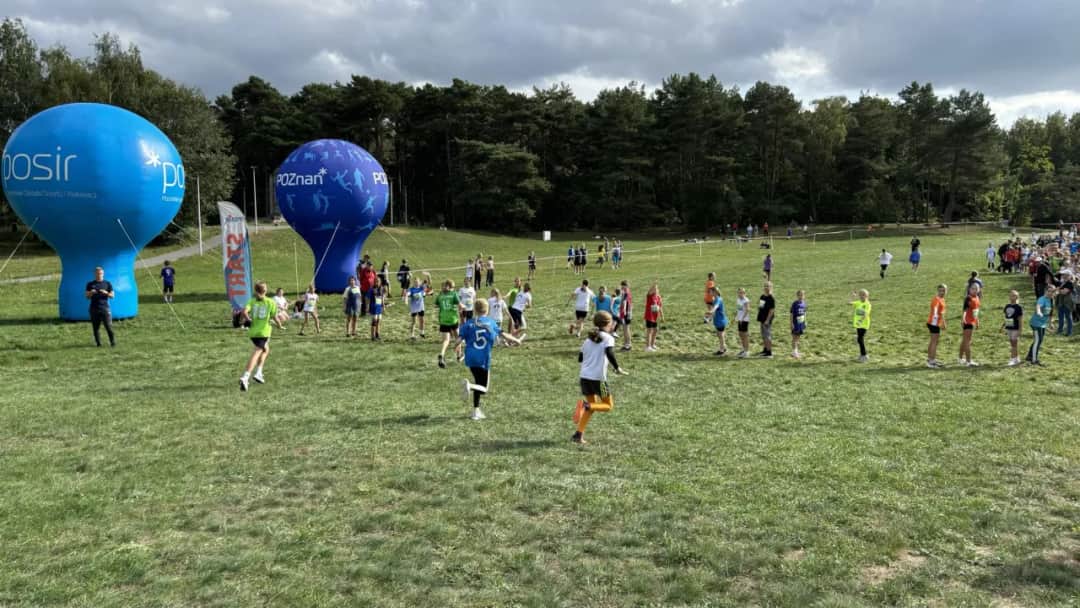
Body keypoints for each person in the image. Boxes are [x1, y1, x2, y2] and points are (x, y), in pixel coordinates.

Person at [457, 299, 523, 420]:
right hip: (483, 358)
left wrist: (456, 345)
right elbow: (504, 335)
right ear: (487, 310)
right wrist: (516, 340)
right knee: (484, 389)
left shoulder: (469, 323)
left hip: (471, 358)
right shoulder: (490, 322)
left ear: (475, 310)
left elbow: (458, 340)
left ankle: (476, 411)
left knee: (478, 382)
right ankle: (469, 387)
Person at [571, 311, 629, 445]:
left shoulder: (587, 340)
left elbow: (580, 358)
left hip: (584, 378)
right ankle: (584, 405)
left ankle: (578, 435)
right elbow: (609, 352)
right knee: (608, 405)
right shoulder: (608, 338)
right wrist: (617, 368)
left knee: (593, 407)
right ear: (608, 324)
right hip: (598, 379)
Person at [239, 281, 277, 391]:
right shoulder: (270, 302)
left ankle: (259, 373)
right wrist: (280, 325)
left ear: (256, 290)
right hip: (263, 332)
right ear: (265, 290)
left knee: (266, 349)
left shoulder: (252, 301)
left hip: (253, 332)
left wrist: (247, 320)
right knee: (257, 352)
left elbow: (244, 312)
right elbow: (275, 317)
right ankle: (245, 377)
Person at [85, 266, 116, 347]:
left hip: (105, 308)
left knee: (108, 327)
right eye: (98, 273)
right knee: (96, 328)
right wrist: (91, 292)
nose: (99, 275)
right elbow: (87, 296)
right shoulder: (90, 284)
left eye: (101, 273)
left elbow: (112, 296)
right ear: (95, 274)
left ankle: (112, 343)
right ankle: (98, 344)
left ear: (103, 274)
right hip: (94, 308)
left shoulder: (107, 283)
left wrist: (106, 293)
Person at [436, 280, 461, 368]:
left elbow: (436, 305)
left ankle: (441, 354)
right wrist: (462, 307)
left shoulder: (440, 295)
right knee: (458, 338)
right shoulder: (454, 294)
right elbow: (460, 305)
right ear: (450, 287)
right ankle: (459, 356)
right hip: (453, 319)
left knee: (446, 340)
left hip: (443, 320)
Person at [1026, 286, 1054, 365]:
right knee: (1038, 341)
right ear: (1045, 291)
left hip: (1043, 324)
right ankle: (1034, 360)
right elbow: (1038, 306)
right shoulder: (1042, 299)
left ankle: (1029, 356)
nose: (1050, 293)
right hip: (1036, 323)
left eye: (1052, 291)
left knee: (1039, 340)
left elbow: (1050, 313)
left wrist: (1050, 323)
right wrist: (1039, 312)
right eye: (1049, 291)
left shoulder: (1051, 300)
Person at [958, 283, 981, 366]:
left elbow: (976, 311)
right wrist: (963, 319)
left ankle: (960, 358)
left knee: (965, 340)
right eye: (973, 288)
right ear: (969, 289)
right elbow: (964, 310)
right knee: (967, 341)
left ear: (979, 290)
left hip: (972, 321)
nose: (974, 290)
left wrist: (977, 320)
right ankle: (968, 361)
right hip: (968, 322)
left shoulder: (977, 297)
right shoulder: (968, 298)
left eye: (976, 289)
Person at [926, 284, 947, 368]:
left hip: (934, 322)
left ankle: (931, 359)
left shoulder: (941, 299)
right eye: (940, 291)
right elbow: (935, 313)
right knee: (934, 342)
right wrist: (942, 323)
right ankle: (931, 361)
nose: (942, 292)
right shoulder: (936, 300)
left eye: (944, 290)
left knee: (933, 341)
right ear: (937, 291)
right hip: (934, 323)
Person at [850, 289, 871, 362]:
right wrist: (852, 297)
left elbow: (866, 314)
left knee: (860, 339)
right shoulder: (858, 302)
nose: (862, 296)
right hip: (858, 325)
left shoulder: (867, 304)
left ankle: (864, 356)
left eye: (863, 295)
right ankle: (862, 355)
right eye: (860, 295)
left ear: (867, 296)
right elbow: (849, 303)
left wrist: (860, 321)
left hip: (864, 324)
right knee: (860, 339)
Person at [1003, 290, 1023, 366]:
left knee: (1014, 343)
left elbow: (1020, 319)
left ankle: (1012, 359)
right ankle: (1017, 358)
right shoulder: (1007, 306)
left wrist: (1020, 329)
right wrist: (1004, 326)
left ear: (1017, 297)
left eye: (1014, 295)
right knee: (1012, 344)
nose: (1012, 297)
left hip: (1015, 328)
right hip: (1009, 327)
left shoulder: (1018, 307)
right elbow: (1007, 317)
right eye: (1011, 295)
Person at [756, 282, 776, 358]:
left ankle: (769, 352)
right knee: (763, 334)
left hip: (767, 319)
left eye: (768, 286)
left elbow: (772, 310)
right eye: (765, 286)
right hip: (762, 317)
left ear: (771, 287)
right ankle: (765, 349)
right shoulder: (762, 296)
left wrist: (767, 320)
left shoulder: (771, 298)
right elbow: (760, 306)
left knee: (767, 335)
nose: (766, 287)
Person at [643, 282, 663, 352]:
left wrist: (662, 316)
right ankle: (647, 347)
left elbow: (660, 307)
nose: (655, 290)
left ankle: (652, 344)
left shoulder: (658, 297)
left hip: (655, 317)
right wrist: (654, 284)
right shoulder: (649, 296)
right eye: (654, 289)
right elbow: (649, 291)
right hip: (649, 316)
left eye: (657, 288)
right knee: (649, 330)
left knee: (655, 330)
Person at [710, 286, 728, 356]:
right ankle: (723, 347)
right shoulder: (715, 299)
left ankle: (722, 350)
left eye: (711, 291)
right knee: (719, 334)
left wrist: (711, 311)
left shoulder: (718, 299)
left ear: (714, 292)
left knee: (720, 335)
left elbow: (716, 307)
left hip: (720, 320)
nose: (710, 293)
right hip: (717, 319)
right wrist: (711, 317)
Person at [1054, 271, 1074, 336]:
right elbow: (1060, 291)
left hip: (1067, 302)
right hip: (1061, 302)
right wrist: (1059, 290)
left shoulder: (1070, 283)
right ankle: (1060, 330)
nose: (1064, 276)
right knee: (1060, 317)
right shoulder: (1063, 282)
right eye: (1063, 275)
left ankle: (1069, 332)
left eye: (1065, 275)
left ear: (1069, 276)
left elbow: (1064, 292)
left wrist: (1058, 290)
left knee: (1068, 317)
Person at [790, 289, 807, 359]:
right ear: (797, 296)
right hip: (795, 323)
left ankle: (795, 351)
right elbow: (791, 314)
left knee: (798, 337)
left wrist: (805, 321)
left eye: (802, 295)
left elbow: (805, 313)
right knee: (794, 337)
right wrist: (791, 323)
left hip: (801, 323)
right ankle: (794, 352)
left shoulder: (804, 303)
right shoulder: (795, 304)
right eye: (799, 295)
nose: (801, 296)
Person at [735, 287, 751, 358]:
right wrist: (736, 317)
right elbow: (739, 309)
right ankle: (743, 349)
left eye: (742, 292)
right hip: (739, 319)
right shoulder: (738, 299)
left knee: (745, 335)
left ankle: (746, 351)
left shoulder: (746, 300)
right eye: (739, 292)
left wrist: (742, 318)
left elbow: (747, 310)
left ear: (745, 293)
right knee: (740, 334)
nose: (741, 294)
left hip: (744, 320)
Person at [618, 279, 633, 351]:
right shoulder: (628, 292)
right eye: (622, 286)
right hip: (628, 312)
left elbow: (624, 303)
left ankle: (628, 344)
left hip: (626, 313)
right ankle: (626, 343)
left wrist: (623, 312)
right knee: (625, 328)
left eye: (623, 286)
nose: (622, 288)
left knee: (626, 329)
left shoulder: (625, 293)